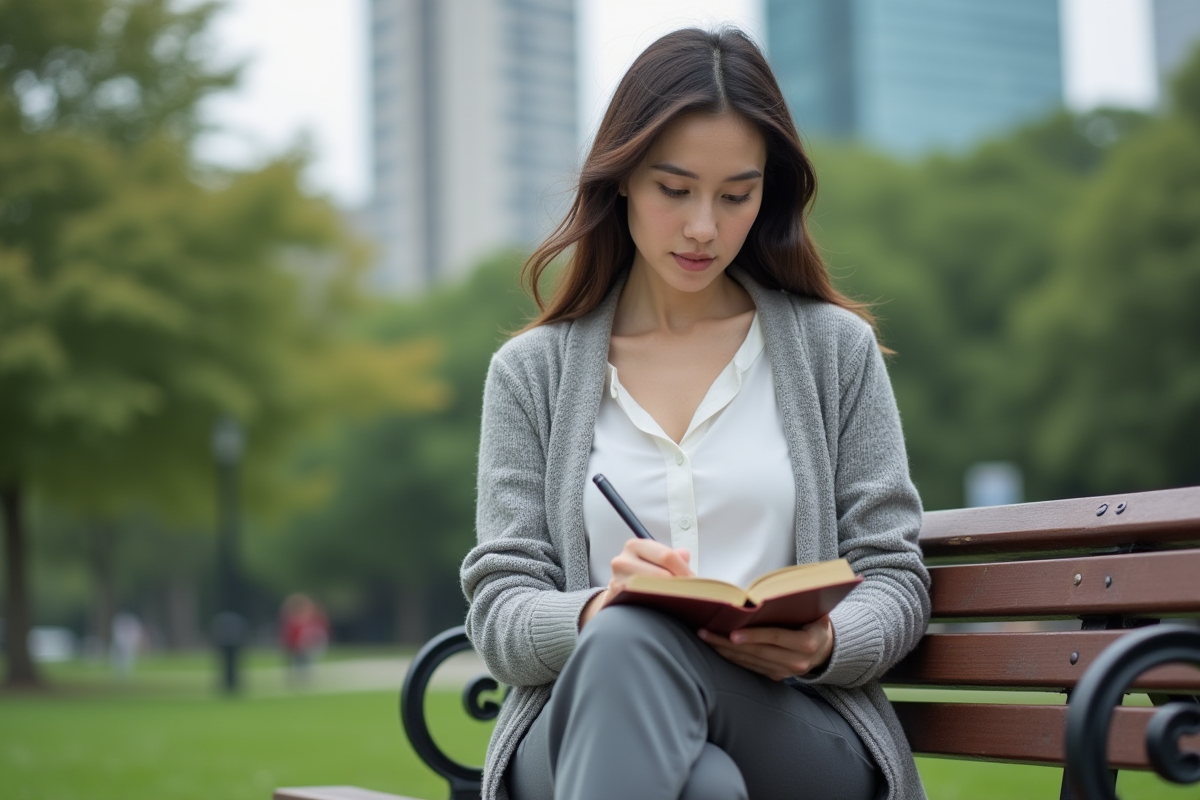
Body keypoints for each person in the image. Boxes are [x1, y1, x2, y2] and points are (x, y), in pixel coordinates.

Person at [461, 28, 930, 800]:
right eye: (674, 190)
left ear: (767, 193)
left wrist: (826, 640)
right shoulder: (531, 374)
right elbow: (502, 608)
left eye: (735, 195)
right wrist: (593, 610)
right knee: (664, 714)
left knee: (639, 660)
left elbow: (894, 576)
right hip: (582, 719)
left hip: (794, 725)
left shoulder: (832, 352)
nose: (704, 227)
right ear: (620, 181)